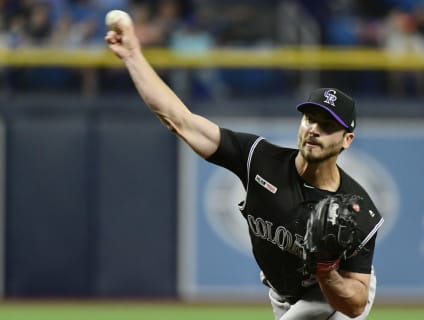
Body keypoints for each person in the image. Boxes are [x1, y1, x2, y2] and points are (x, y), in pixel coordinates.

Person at [105, 12, 384, 320]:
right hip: (283, 295)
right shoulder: (259, 159)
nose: (314, 129)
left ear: (347, 140)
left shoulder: (356, 211)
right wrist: (133, 56)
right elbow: (181, 120)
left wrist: (327, 269)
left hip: (331, 295)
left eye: (328, 125)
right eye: (310, 119)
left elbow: (355, 304)